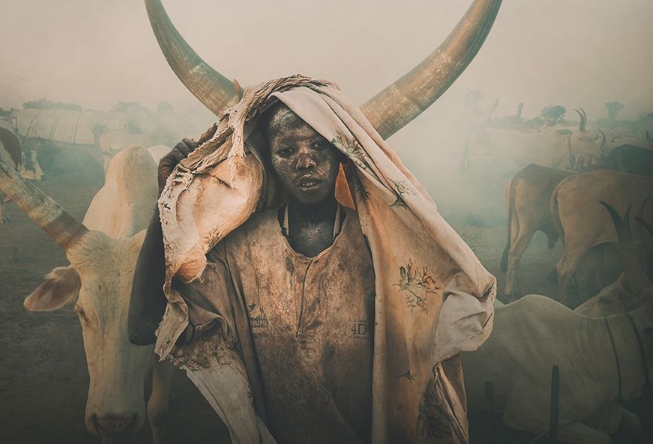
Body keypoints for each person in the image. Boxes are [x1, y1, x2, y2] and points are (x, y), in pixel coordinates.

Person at [128, 77, 496, 444]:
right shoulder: (239, 253)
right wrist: (166, 200)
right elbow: (144, 328)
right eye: (286, 150)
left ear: (342, 154)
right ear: (268, 161)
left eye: (319, 146)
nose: (305, 161)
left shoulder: (384, 251)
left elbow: (462, 303)